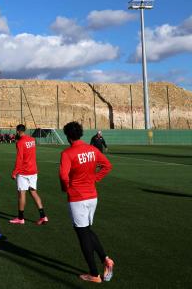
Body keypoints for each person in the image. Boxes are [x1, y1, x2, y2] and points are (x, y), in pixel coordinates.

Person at [60, 121, 114, 283]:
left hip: (78, 197)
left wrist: (66, 188)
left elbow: (63, 176)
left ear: (68, 136)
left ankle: (94, 274)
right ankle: (106, 259)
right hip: (92, 196)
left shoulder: (67, 153)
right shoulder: (92, 150)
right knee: (87, 230)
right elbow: (107, 166)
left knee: (82, 234)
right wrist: (95, 179)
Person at [9, 124, 48, 225]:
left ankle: (21, 218)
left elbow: (19, 159)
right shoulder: (32, 140)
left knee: (22, 194)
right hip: (33, 170)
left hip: (23, 172)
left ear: (18, 131)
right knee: (33, 192)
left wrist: (14, 172)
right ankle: (43, 216)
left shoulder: (20, 142)